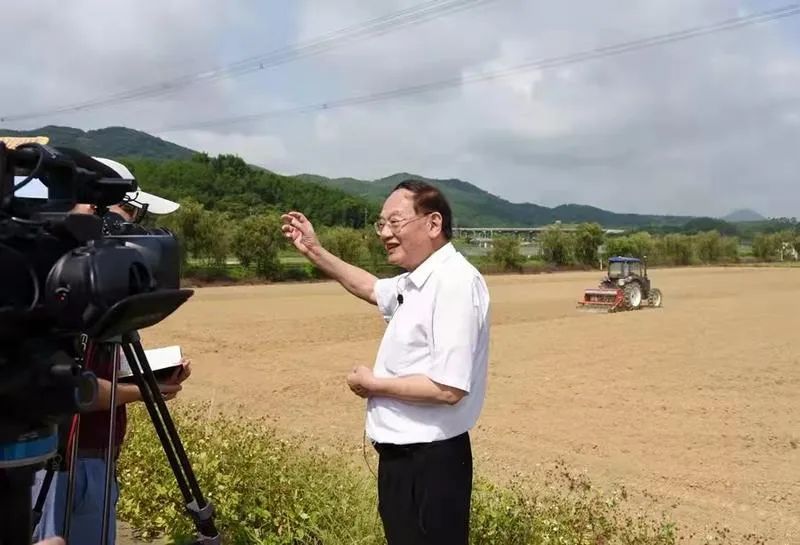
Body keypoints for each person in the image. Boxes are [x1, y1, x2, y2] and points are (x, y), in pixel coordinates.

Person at [281, 179, 491, 545]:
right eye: (382, 223)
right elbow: (369, 287)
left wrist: (374, 385)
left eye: (395, 222)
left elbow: (448, 388)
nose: (385, 233)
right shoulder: (418, 280)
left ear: (433, 223)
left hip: (429, 463)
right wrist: (314, 250)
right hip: (405, 461)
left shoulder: (454, 282)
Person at [30, 158, 190, 545]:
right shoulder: (62, 298)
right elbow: (71, 390)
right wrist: (147, 392)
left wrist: (148, 377)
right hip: (63, 462)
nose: (130, 232)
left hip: (89, 456)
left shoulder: (83, 294)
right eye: (126, 215)